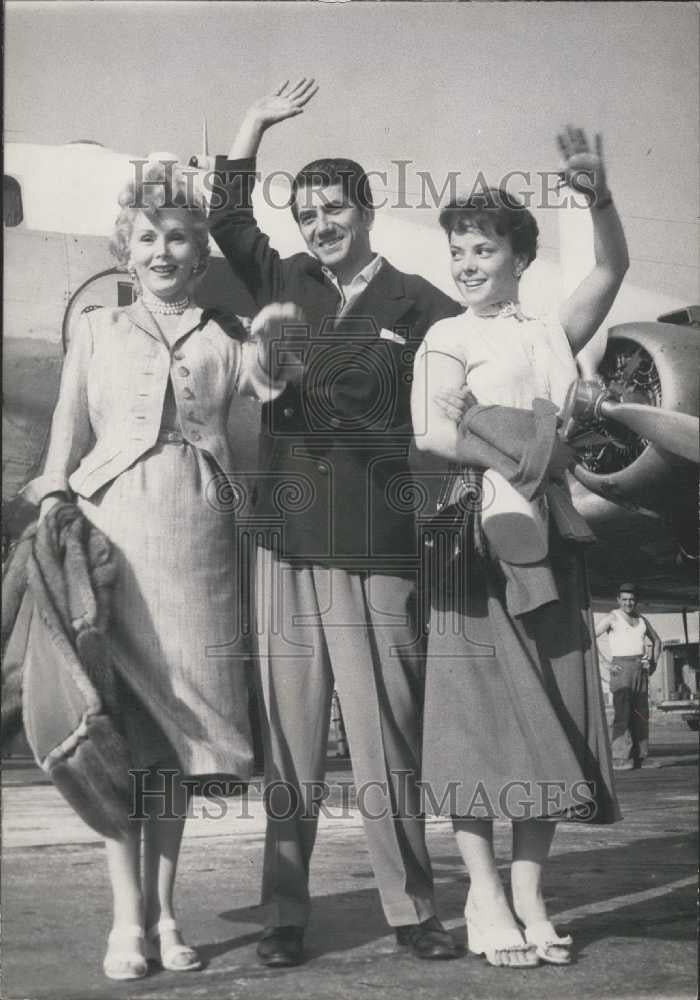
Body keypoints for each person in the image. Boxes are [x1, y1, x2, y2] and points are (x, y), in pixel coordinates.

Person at [208, 79, 462, 967]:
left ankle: (412, 910)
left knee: (387, 736)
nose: (319, 224)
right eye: (307, 211)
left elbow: (479, 378)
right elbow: (227, 219)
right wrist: (254, 124)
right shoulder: (282, 279)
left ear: (366, 208)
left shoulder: (421, 304)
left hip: (377, 546)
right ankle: (284, 918)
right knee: (291, 744)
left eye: (334, 208)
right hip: (285, 540)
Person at [24, 161, 297, 981]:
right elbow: (61, 448)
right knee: (117, 731)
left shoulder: (226, 338)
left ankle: (169, 911)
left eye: (178, 236)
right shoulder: (96, 332)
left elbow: (261, 422)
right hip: (114, 537)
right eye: (147, 237)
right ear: (125, 249)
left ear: (200, 251)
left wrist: (277, 351)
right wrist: (49, 507)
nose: (163, 249)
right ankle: (125, 920)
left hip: (201, 538)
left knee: (176, 742)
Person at [410, 125, 626, 968]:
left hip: (552, 543)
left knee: (553, 718)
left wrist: (597, 196)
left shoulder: (546, 332)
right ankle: (484, 896)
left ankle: (530, 893)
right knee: (475, 727)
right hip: (477, 542)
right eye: (458, 249)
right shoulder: (445, 337)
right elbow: (430, 430)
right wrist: (515, 452)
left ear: (518, 256)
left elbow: (609, 271)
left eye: (483, 248)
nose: (466, 263)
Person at [596, 583, 661, 769]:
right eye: (624, 599)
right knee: (622, 714)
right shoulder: (612, 617)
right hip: (621, 668)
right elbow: (590, 639)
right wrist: (606, 663)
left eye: (631, 599)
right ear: (618, 600)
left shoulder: (641, 619)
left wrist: (653, 664)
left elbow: (657, 641)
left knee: (641, 714)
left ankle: (642, 757)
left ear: (636, 600)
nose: (628, 603)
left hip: (640, 667)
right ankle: (619, 758)